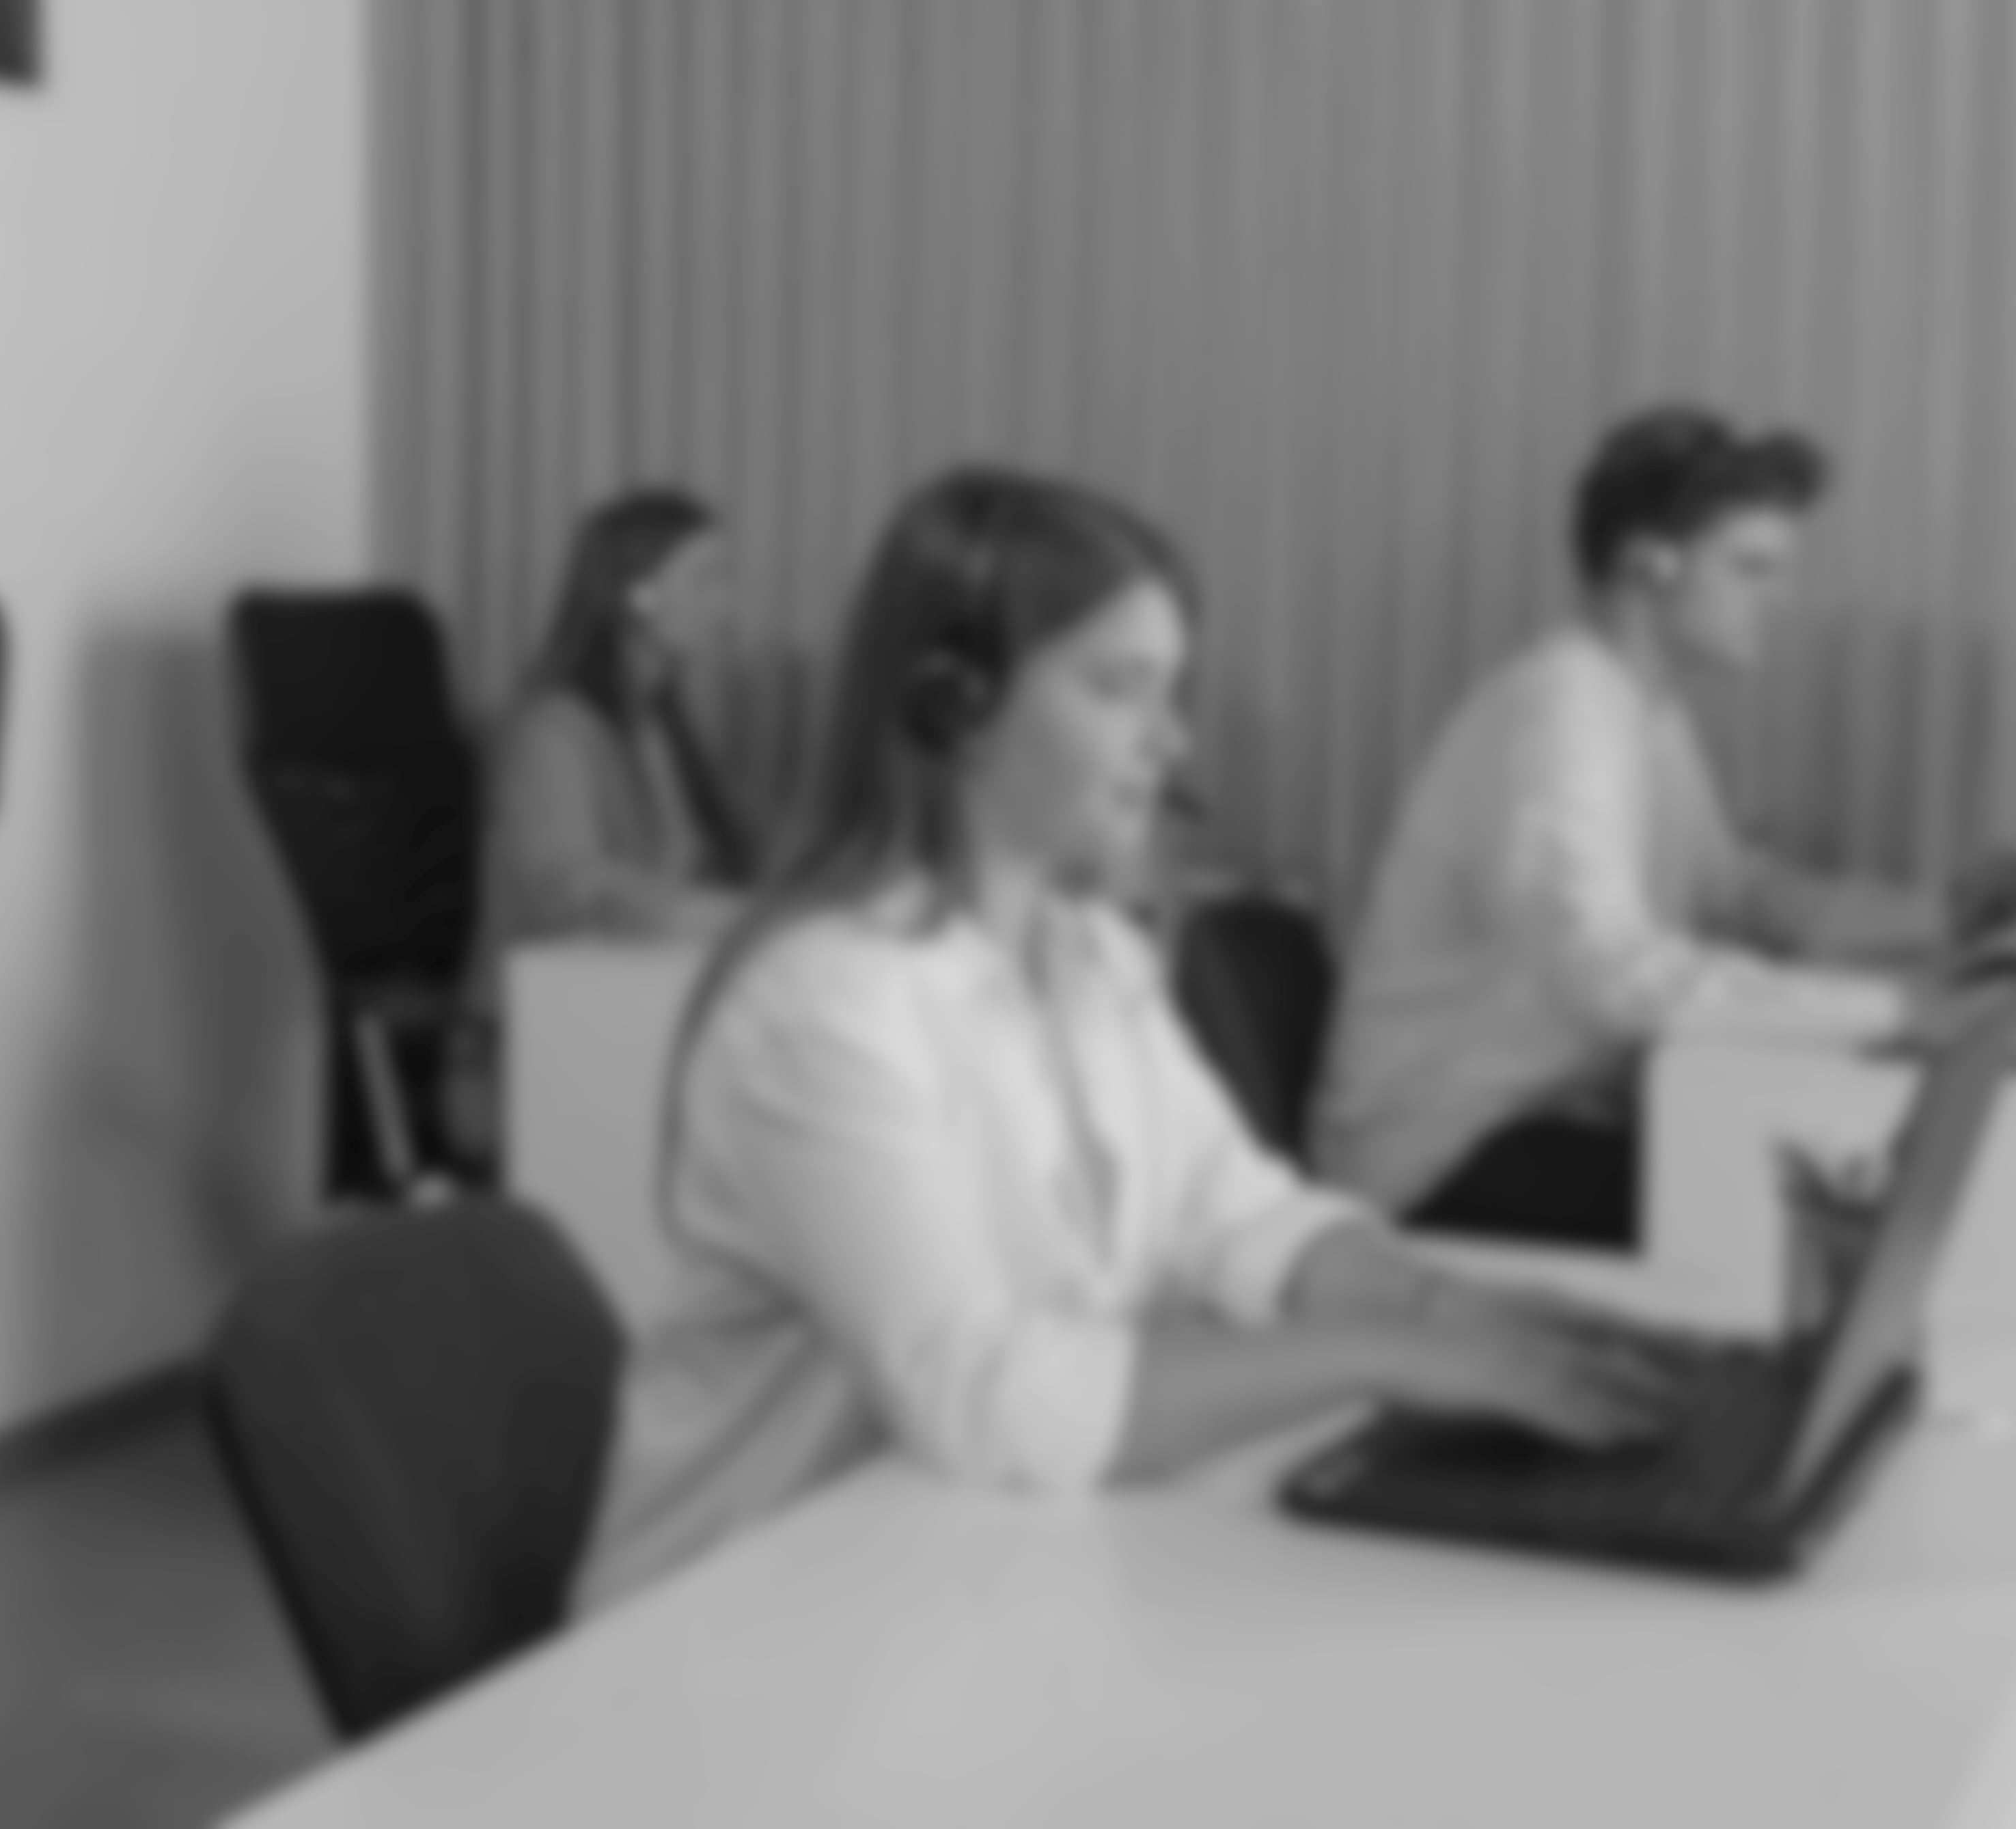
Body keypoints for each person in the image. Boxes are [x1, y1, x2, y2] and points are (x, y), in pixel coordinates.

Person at [572, 466, 1681, 1615]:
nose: (1171, 738)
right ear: (954, 704)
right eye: (1120, 687)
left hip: (946, 1587)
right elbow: (984, 1391)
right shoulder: (825, 1001)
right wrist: (1394, 1356)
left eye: (1171, 690)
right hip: (724, 1630)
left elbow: (1240, 1215)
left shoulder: (1091, 958)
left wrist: (1447, 1308)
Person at [1312, 406, 2016, 1248]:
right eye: (1749, 569)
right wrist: (1897, 1012)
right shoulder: (1560, 717)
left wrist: (1940, 919)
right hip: (1446, 1154)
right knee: (1787, 1213)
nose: (1779, 600)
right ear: (1650, 563)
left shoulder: (1643, 710)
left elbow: (1735, 894)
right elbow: (1615, 979)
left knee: (1821, 1184)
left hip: (1554, 1117)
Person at [481, 488, 760, 953]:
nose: (726, 605)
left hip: (639, 973)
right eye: (705, 579)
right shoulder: (553, 731)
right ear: (639, 596)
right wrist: (733, 915)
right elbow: (571, 887)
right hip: (563, 985)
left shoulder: (659, 719)